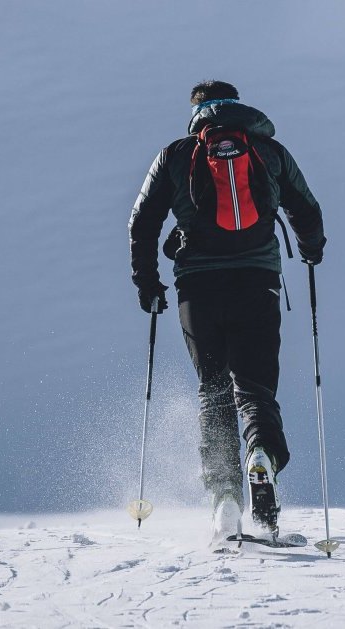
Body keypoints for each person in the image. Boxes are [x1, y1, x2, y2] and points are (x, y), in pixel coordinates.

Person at [128, 80, 325, 545]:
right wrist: (312, 251)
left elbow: (142, 220)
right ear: (239, 106)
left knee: (213, 389)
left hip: (197, 288)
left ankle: (223, 498)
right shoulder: (268, 150)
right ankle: (262, 455)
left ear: (196, 111)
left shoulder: (176, 154)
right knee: (255, 389)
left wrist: (147, 281)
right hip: (257, 283)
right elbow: (306, 208)